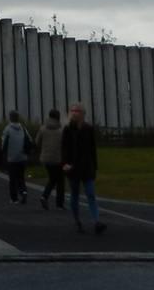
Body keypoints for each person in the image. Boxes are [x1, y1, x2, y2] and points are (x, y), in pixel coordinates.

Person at [61, 101, 107, 235]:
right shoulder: (68, 129)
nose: (74, 113)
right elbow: (64, 148)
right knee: (74, 195)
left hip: (87, 167)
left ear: (82, 114)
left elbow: (92, 148)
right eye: (72, 111)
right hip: (73, 168)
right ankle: (77, 221)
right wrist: (64, 163)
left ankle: (97, 222)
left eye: (77, 111)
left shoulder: (88, 128)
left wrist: (95, 166)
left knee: (90, 194)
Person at [36, 108, 65, 210]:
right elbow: (65, 145)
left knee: (53, 179)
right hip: (58, 159)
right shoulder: (61, 130)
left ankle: (44, 196)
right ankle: (59, 204)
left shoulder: (43, 128)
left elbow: (37, 142)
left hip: (46, 158)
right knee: (60, 181)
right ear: (58, 117)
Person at [1, 111, 32, 204]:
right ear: (18, 118)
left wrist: (4, 154)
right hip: (22, 157)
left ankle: (14, 198)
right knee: (21, 177)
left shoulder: (7, 129)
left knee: (12, 179)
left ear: (10, 118)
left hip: (12, 158)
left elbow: (4, 144)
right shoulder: (23, 128)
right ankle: (23, 191)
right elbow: (30, 140)